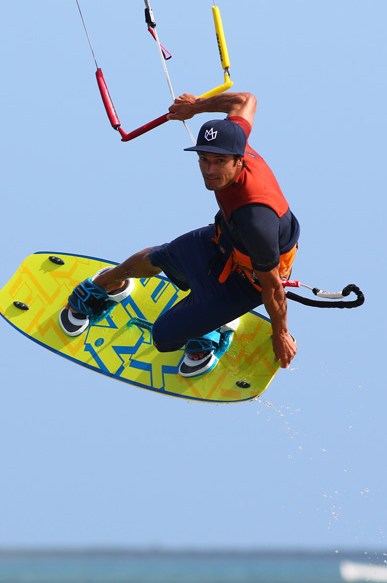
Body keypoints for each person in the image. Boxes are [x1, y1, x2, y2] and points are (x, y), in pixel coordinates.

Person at [59, 91, 300, 377]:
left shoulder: (255, 218)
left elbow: (273, 287)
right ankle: (109, 285)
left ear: (238, 160)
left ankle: (219, 327)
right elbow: (245, 101)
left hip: (246, 281)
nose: (209, 170)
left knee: (164, 337)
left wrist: (280, 333)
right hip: (225, 241)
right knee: (159, 256)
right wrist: (196, 107)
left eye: (219, 162)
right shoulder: (236, 139)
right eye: (203, 160)